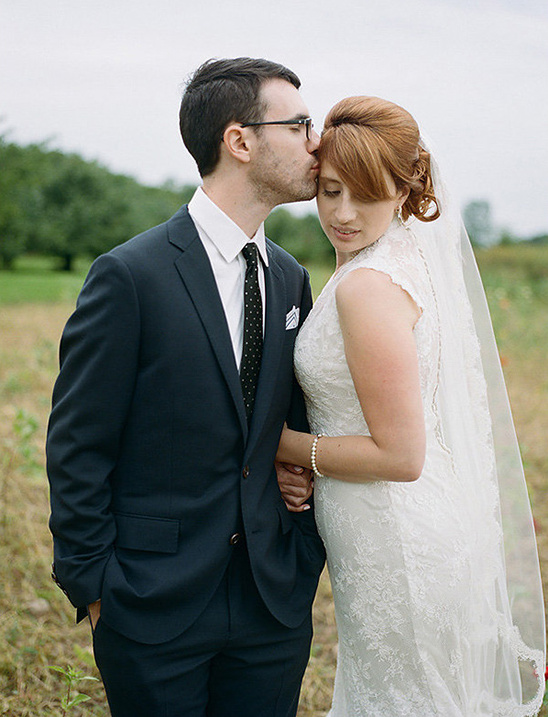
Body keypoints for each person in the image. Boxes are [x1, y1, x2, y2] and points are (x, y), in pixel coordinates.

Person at [46, 57, 326, 717]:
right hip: (149, 605)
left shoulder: (289, 278)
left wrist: (301, 534)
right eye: (300, 124)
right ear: (241, 140)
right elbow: (78, 443)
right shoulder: (129, 275)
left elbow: (292, 423)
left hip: (271, 604)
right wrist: (95, 588)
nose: (318, 141)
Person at [276, 95, 546, 715]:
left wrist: (276, 446)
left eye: (365, 195)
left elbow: (398, 454)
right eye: (331, 190)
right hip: (387, 525)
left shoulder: (370, 286)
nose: (342, 214)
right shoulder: (395, 260)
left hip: (396, 540)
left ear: (404, 190)